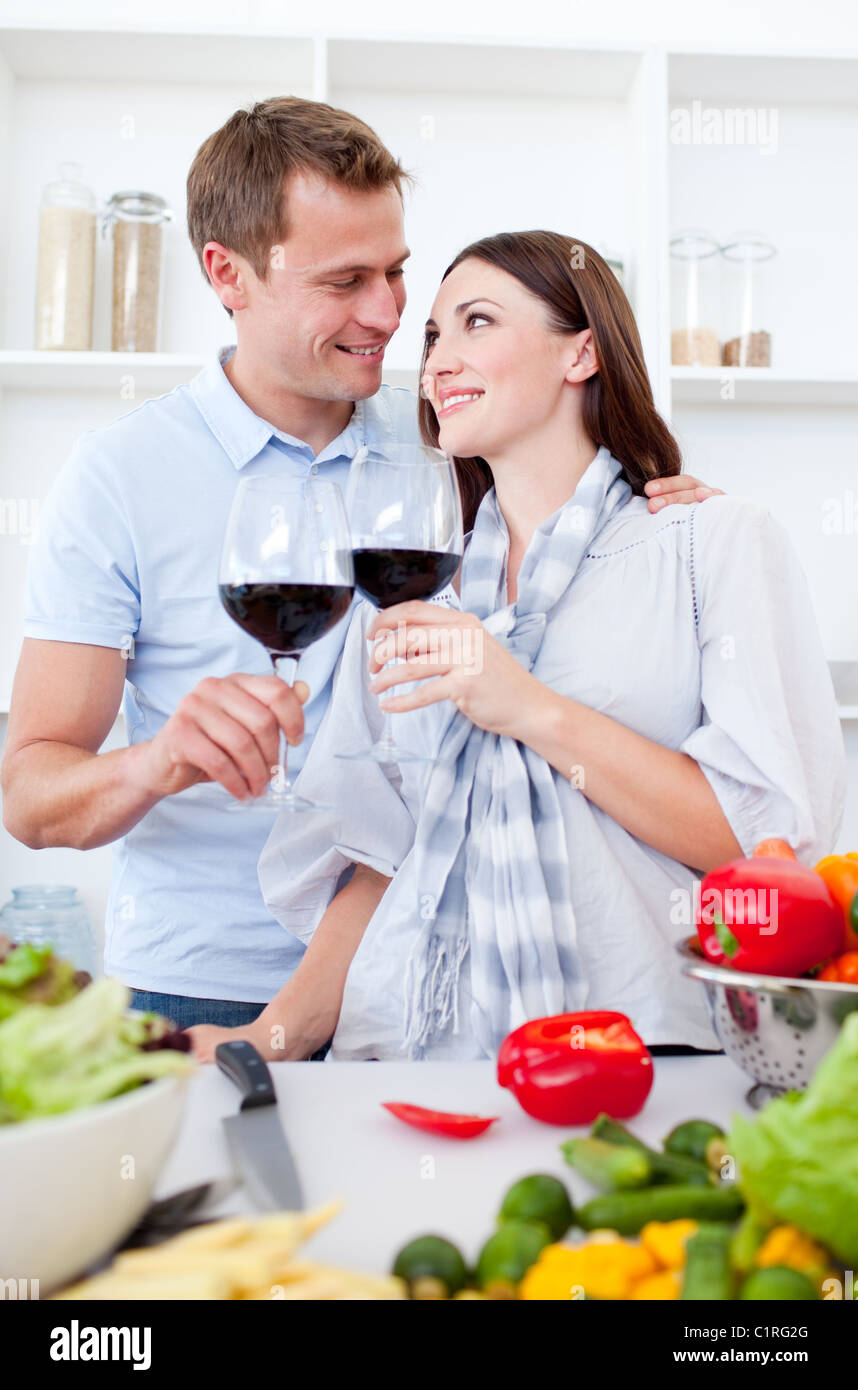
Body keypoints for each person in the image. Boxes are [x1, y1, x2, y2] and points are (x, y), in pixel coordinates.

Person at [1, 100, 718, 1034]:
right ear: (230, 274)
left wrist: (653, 502)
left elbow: (564, 579)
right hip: (201, 982)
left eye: (395, 272)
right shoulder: (120, 476)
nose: (387, 314)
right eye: (345, 280)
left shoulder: (448, 437)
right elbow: (31, 797)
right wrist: (159, 763)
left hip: (425, 974)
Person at [187, 230, 846, 1063]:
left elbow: (765, 850)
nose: (436, 363)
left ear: (582, 353)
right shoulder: (411, 592)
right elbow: (383, 852)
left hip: (645, 1056)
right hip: (410, 1053)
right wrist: (272, 1037)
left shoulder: (710, 545)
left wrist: (528, 707)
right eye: (431, 338)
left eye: (477, 323)